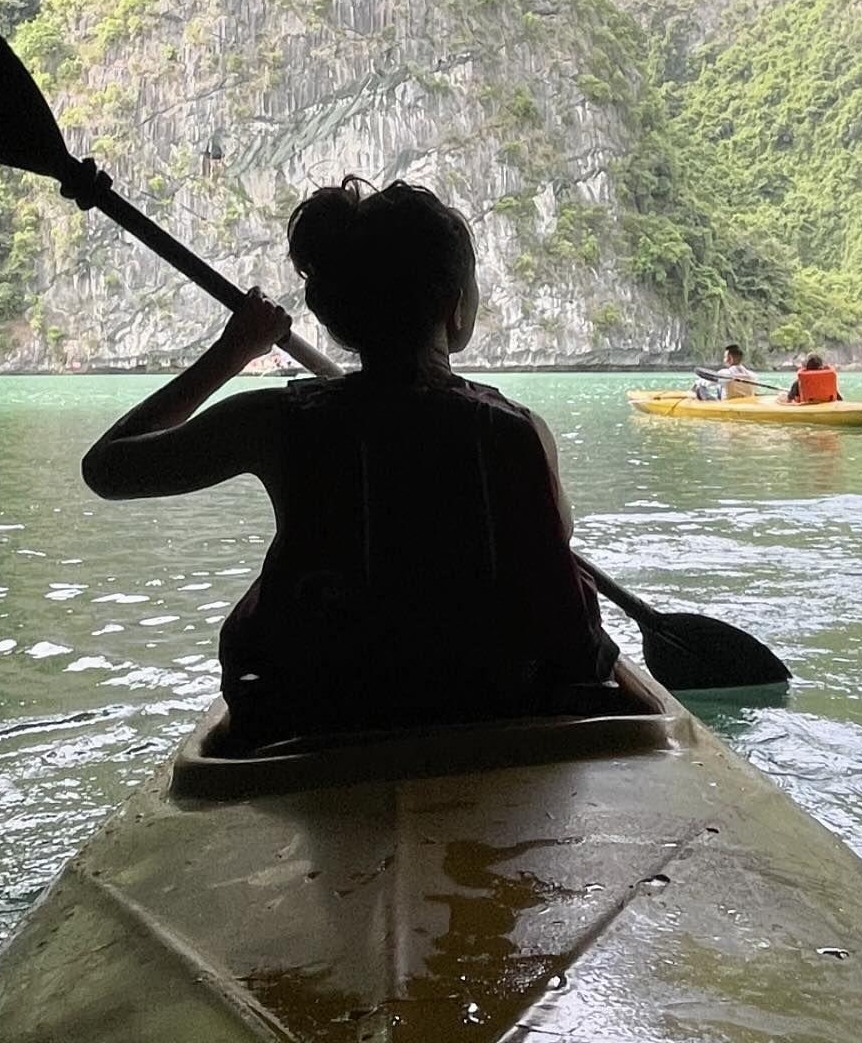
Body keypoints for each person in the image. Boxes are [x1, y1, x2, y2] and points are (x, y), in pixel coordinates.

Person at [82, 177, 618, 748]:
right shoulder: (518, 429)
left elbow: (108, 469)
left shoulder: (277, 421)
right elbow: (552, 546)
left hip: (313, 722)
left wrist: (233, 351)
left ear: (339, 314)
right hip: (499, 717)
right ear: (454, 304)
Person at [692, 343, 758, 401]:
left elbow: (707, 383)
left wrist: (698, 382)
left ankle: (691, 397)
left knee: (700, 386)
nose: (724, 360)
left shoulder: (725, 374)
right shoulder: (753, 375)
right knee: (719, 386)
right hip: (746, 404)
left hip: (728, 405)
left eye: (725, 357)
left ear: (730, 358)